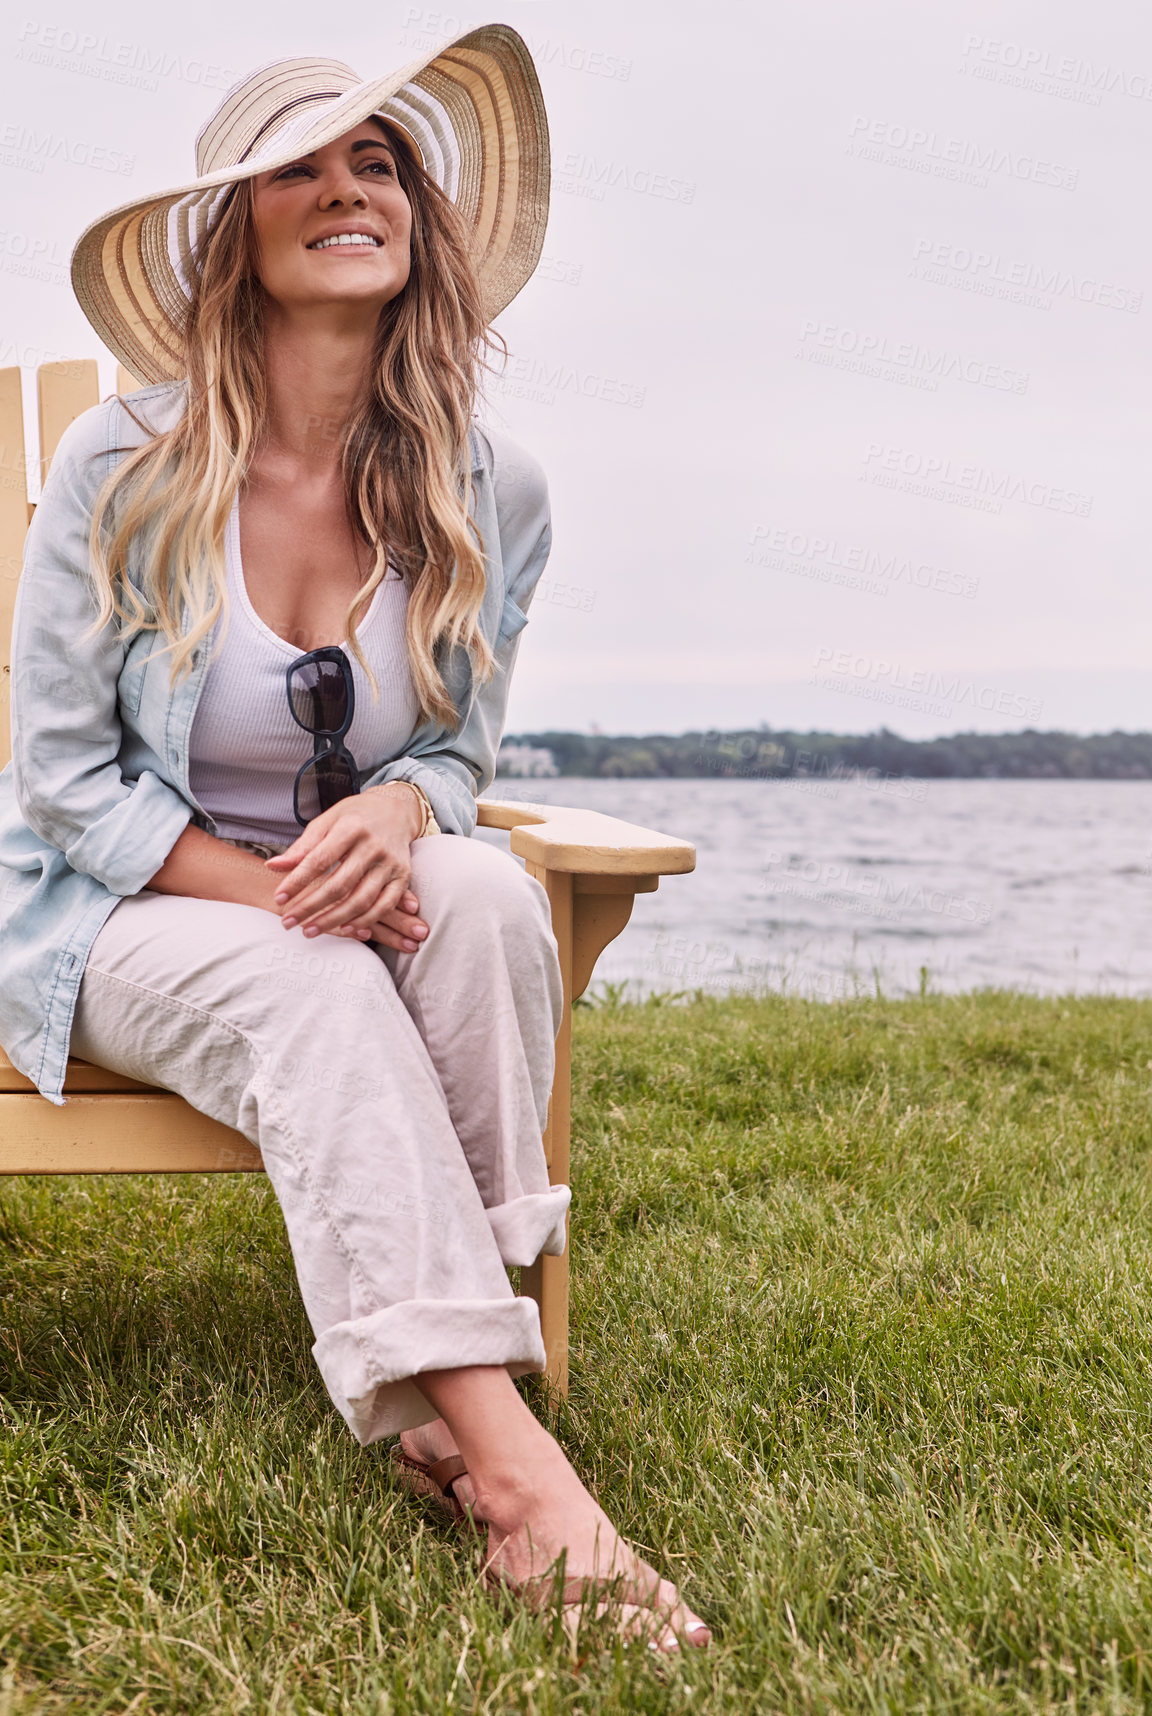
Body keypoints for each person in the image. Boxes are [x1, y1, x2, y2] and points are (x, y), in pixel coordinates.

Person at [0, 28, 711, 1651]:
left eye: (376, 161)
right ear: (233, 232)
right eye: (299, 167)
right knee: (315, 974)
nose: (345, 188)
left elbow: (462, 750)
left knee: (481, 899)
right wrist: (278, 889)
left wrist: (399, 807)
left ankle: (443, 1419)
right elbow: (64, 787)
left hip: (351, 887)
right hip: (119, 904)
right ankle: (532, 1493)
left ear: (418, 228)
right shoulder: (121, 468)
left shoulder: (489, 485)